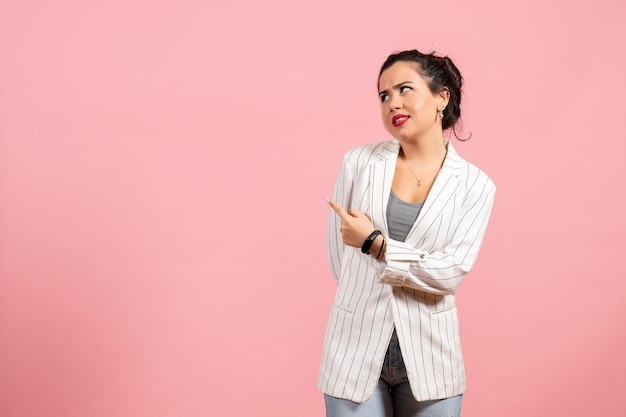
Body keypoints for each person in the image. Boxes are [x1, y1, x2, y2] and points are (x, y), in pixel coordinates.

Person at [319, 49, 496, 417]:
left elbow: (449, 273)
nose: (392, 103)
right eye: (384, 96)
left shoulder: (476, 186)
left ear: (441, 98)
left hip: (430, 355)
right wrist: (386, 276)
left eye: (404, 90)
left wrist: (376, 244)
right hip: (354, 345)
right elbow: (342, 261)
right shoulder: (358, 163)